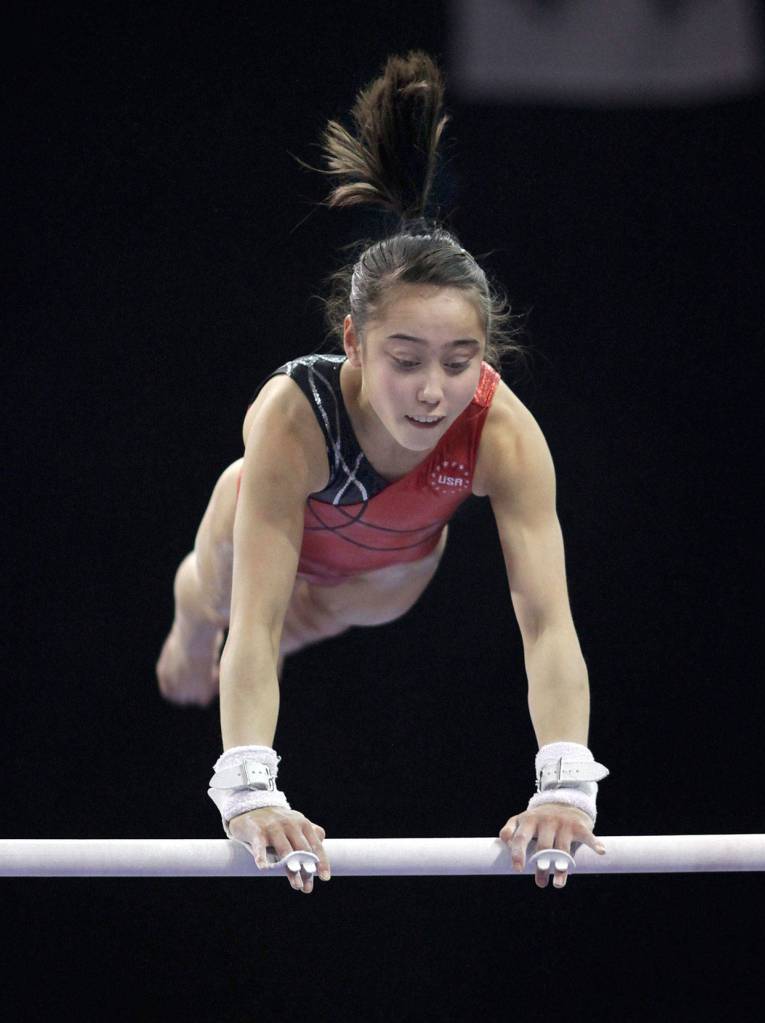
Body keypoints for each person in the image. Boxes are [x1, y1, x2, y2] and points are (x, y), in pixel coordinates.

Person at [156, 51, 609, 894]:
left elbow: (547, 624)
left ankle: (256, 644)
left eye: (459, 359)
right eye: (406, 359)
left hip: (382, 576)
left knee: (304, 621)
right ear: (354, 343)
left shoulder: (501, 430)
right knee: (229, 595)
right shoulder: (295, 415)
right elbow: (253, 619)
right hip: (264, 544)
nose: (434, 391)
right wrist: (251, 791)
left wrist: (567, 784)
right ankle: (189, 616)